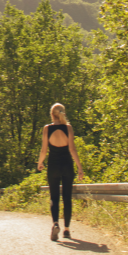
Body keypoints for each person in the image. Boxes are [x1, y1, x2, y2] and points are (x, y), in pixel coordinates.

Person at [37, 102, 84, 241]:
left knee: (54, 197)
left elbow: (44, 150)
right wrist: (79, 167)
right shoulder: (68, 128)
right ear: (63, 113)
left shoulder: (47, 129)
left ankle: (55, 223)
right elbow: (72, 150)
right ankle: (67, 230)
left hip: (53, 166)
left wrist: (40, 162)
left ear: (52, 114)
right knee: (67, 198)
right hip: (67, 165)